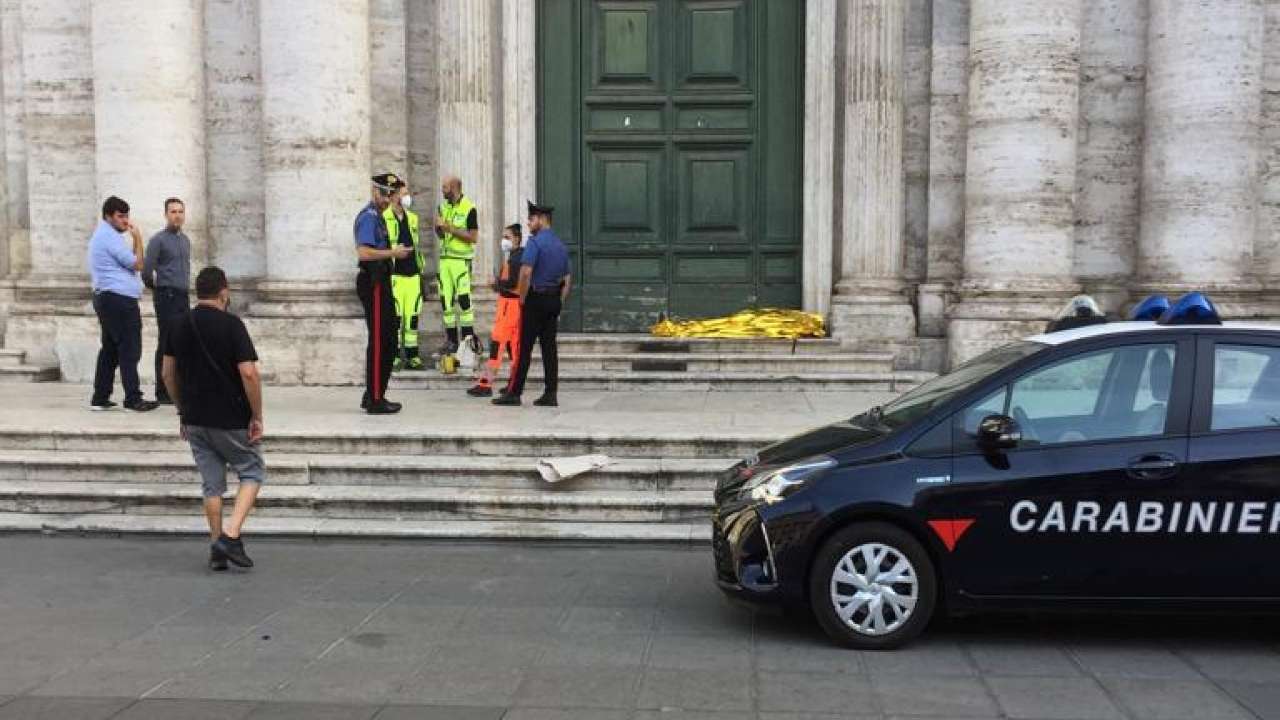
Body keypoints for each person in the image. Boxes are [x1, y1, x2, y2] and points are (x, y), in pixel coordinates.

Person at [161, 266, 264, 571]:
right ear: (224, 292)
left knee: (212, 485)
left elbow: (168, 373)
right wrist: (256, 414)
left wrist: (182, 410)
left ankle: (216, 548)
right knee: (252, 471)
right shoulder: (232, 325)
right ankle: (230, 536)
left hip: (194, 416)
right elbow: (249, 373)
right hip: (230, 417)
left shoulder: (177, 324)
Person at [494, 200, 572, 407]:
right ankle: (551, 393)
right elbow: (567, 280)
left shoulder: (535, 243)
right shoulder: (560, 244)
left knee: (524, 349)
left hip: (535, 300)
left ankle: (515, 392)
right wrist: (558, 301)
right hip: (553, 299)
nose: (528, 224)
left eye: (531, 219)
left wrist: (522, 297)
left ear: (541, 220)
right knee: (549, 349)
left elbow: (526, 272)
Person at [87, 196, 158, 412]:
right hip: (118, 300)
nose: (125, 221)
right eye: (120, 216)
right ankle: (133, 398)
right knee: (129, 349)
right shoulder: (109, 237)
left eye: (127, 216)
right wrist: (137, 237)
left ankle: (100, 397)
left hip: (109, 298)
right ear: (108, 216)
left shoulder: (104, 235)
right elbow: (138, 264)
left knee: (110, 349)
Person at [356, 173, 413, 414]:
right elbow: (364, 253)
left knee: (388, 339)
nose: (389, 199)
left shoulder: (379, 217)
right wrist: (393, 253)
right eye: (386, 194)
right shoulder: (369, 218)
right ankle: (376, 398)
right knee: (381, 341)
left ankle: (373, 392)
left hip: (382, 280)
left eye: (392, 194)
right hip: (374, 281)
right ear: (375, 192)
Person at [143, 198, 192, 404]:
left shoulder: (185, 240)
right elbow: (146, 270)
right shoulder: (158, 240)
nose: (177, 215)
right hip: (167, 295)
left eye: (180, 211)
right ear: (166, 214)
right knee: (166, 342)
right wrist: (158, 288)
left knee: (183, 341)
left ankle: (179, 387)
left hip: (182, 295)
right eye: (173, 212)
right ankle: (162, 391)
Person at [468, 223, 524, 397]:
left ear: (516, 238)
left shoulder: (515, 259)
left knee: (498, 344)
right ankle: (513, 384)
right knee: (513, 347)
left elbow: (513, 283)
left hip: (509, 306)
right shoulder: (515, 256)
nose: (503, 241)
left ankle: (486, 384)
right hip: (512, 306)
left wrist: (496, 283)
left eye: (507, 237)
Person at [383, 178, 425, 370]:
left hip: (413, 273)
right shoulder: (384, 217)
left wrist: (420, 269)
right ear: (394, 196)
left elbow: (417, 246)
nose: (407, 196)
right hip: (395, 275)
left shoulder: (413, 218)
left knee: (412, 316)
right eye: (404, 193)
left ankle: (412, 355)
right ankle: (394, 355)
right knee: (396, 317)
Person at [435, 175, 479, 354]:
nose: (442, 191)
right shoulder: (442, 206)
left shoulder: (469, 208)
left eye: (445, 187)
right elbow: (440, 234)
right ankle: (451, 340)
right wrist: (438, 228)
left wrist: (450, 228)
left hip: (461, 262)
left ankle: (468, 340)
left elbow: (473, 237)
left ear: (454, 188)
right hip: (445, 261)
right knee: (446, 302)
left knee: (464, 301)